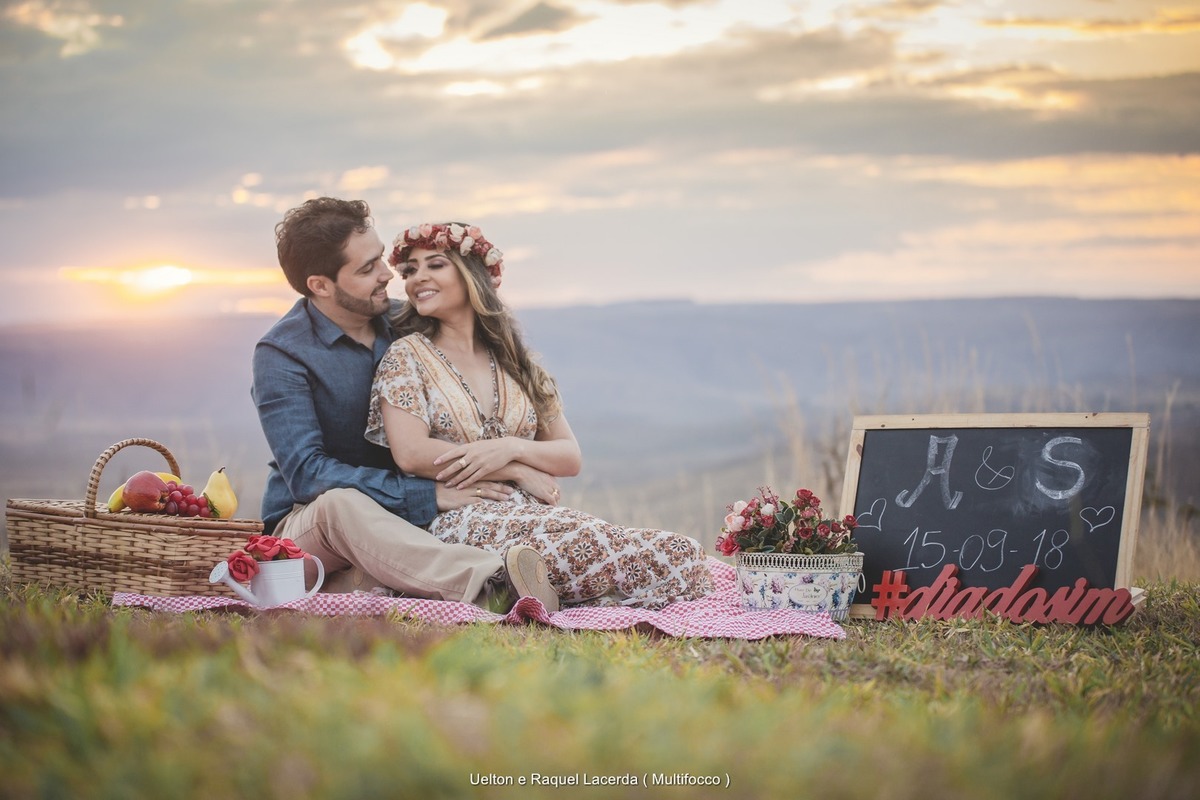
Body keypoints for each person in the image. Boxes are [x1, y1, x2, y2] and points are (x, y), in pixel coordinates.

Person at [364, 222, 715, 608]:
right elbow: (411, 453)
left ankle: (555, 596)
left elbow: (568, 456)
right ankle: (529, 585)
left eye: (435, 265)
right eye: (410, 270)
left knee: (684, 553)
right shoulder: (407, 356)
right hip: (459, 518)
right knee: (586, 543)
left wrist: (510, 448)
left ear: (472, 276)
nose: (417, 279)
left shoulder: (515, 361)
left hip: (535, 515)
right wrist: (514, 470)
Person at [252, 198, 559, 612]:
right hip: (313, 525)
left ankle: (381, 585)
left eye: (380, 259)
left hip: (409, 523)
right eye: (367, 270)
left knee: (381, 572)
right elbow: (308, 474)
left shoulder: (408, 325)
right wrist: (425, 494)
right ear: (320, 285)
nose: (387, 276)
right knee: (340, 506)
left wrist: (513, 462)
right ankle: (493, 585)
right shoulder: (282, 353)